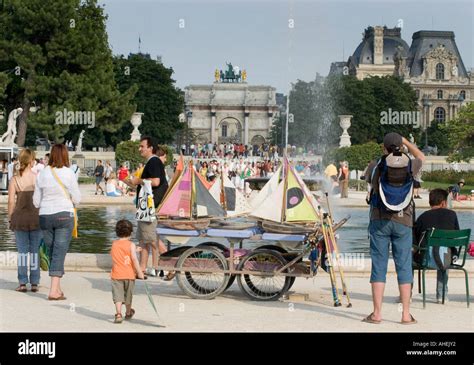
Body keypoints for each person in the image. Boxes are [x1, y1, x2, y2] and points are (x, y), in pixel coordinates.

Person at [363, 132, 424, 325]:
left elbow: (369, 182)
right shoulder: (410, 164)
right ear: (401, 146)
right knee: (404, 265)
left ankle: (377, 314)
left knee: (379, 265)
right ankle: (405, 315)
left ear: (384, 147)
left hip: (379, 219)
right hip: (403, 220)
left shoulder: (376, 165)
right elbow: (421, 156)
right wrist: (405, 142)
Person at [33, 144, 81, 300]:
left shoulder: (42, 173)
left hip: (45, 216)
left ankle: (57, 288)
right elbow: (77, 198)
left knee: (53, 251)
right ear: (65, 155)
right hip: (64, 215)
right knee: (59, 252)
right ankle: (53, 291)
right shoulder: (69, 173)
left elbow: (36, 201)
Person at [131, 137, 169, 278]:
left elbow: (155, 181)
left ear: (150, 147)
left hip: (149, 206)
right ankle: (142, 269)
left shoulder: (153, 161)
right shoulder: (154, 162)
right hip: (146, 207)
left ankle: (170, 266)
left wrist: (138, 180)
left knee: (152, 239)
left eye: (142, 146)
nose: (140, 149)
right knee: (143, 239)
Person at [414, 189, 459, 303]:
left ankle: (407, 294)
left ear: (430, 202)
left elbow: (415, 239)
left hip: (425, 259)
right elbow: (455, 236)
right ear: (443, 202)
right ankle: (441, 294)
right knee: (445, 251)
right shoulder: (452, 215)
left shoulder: (423, 217)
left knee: (409, 259)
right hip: (446, 260)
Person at [8, 149, 41, 293]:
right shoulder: (38, 178)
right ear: (31, 161)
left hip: (20, 218)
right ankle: (34, 282)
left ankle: (22, 282)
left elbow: (10, 202)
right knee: (34, 251)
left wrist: (10, 218)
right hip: (36, 218)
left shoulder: (15, 179)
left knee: (22, 252)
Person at [110, 219, 144, 323]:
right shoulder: (131, 245)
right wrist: (140, 272)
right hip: (129, 275)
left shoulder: (114, 244)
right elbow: (134, 259)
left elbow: (120, 252)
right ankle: (128, 312)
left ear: (117, 231)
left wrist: (133, 250)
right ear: (131, 232)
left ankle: (118, 314)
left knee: (118, 296)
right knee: (128, 296)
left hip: (116, 274)